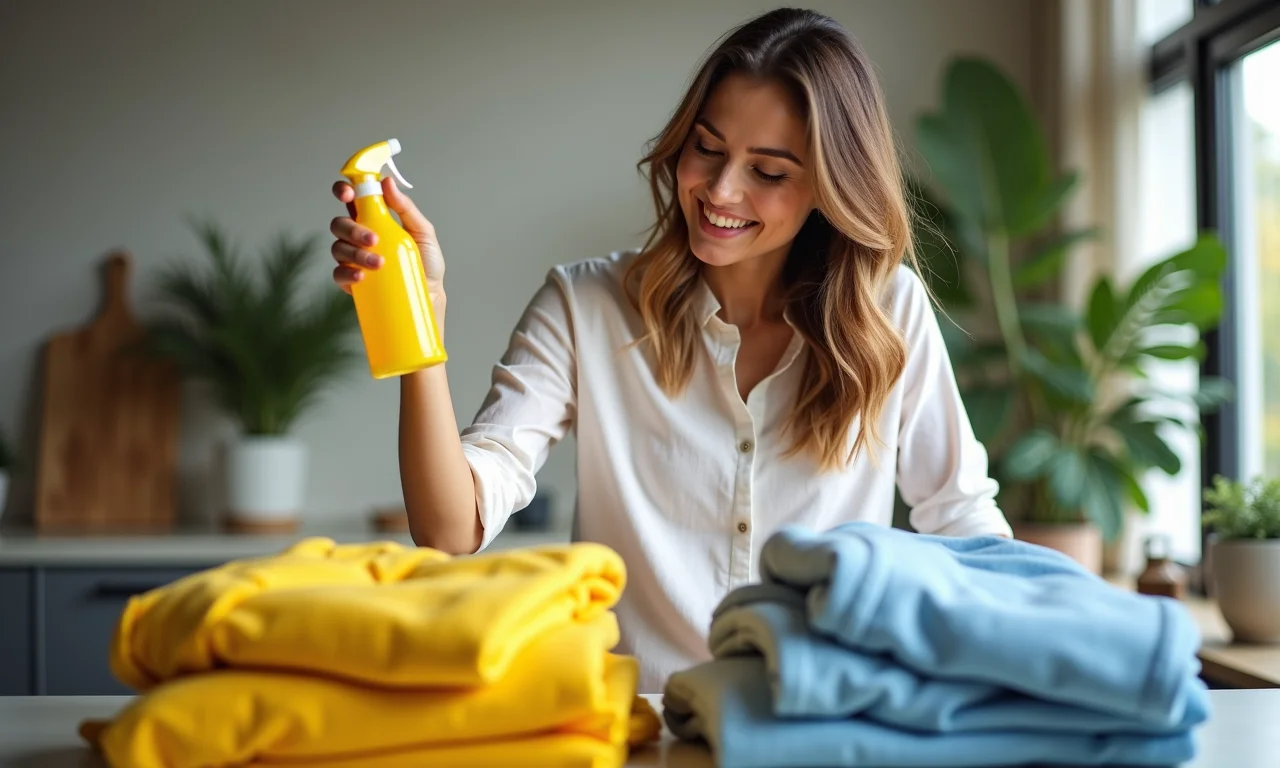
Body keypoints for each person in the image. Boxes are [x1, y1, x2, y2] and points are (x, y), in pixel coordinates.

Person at [327, 7, 1012, 692]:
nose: (719, 190)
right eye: (707, 148)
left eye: (768, 171)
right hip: (638, 736)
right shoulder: (586, 306)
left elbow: (962, 520)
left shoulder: (887, 313)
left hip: (819, 727)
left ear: (830, 190)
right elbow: (450, 528)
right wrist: (422, 319)